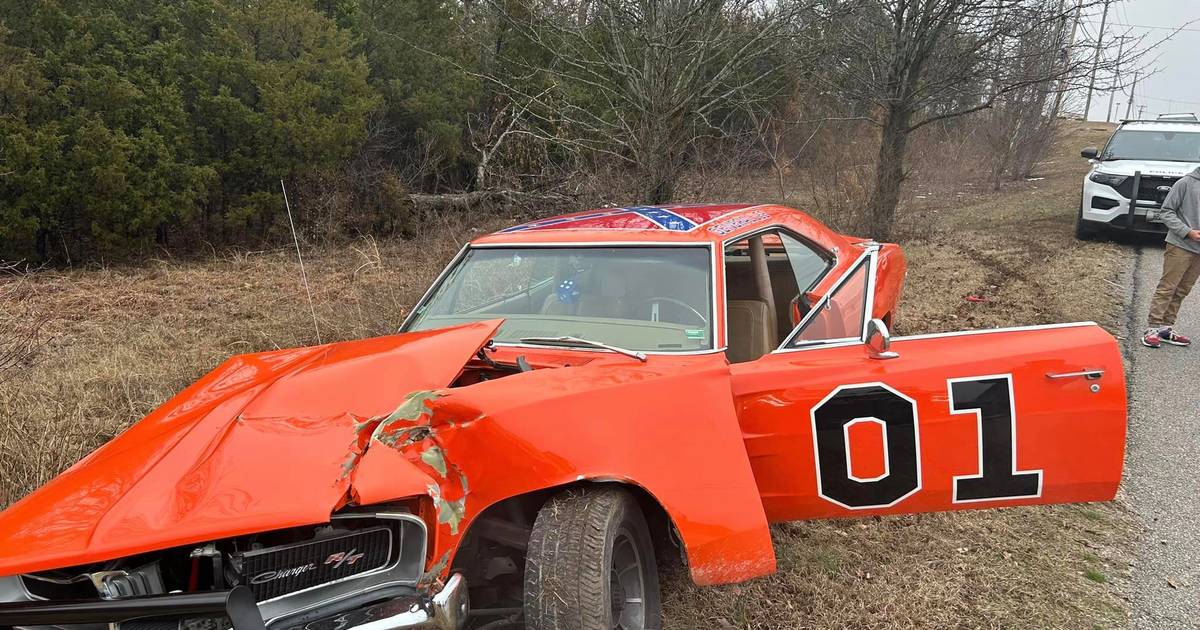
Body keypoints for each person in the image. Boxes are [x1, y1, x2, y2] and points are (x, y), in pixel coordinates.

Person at [1143, 166, 1200, 348]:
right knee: (1168, 287)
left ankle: (1166, 328)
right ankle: (1152, 329)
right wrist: (1187, 232)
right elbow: (1166, 211)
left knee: (1182, 290)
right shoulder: (1185, 183)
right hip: (1180, 245)